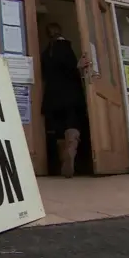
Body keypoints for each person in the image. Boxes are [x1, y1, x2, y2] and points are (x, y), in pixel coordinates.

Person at [41, 22, 89, 178]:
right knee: (72, 123)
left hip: (52, 97)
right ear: (60, 32)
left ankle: (63, 158)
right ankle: (71, 149)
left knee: (58, 129)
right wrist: (79, 66)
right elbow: (70, 69)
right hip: (70, 94)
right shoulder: (65, 47)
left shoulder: (46, 52)